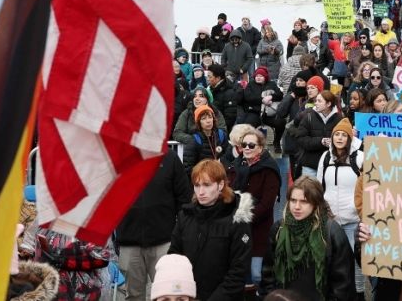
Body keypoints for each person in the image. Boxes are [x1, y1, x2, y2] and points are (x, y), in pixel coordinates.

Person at [169, 159, 252, 300]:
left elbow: (238, 272)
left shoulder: (237, 220)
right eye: (197, 185)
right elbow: (174, 257)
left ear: (220, 185)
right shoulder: (186, 216)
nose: (201, 191)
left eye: (207, 185)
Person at [261, 177, 356, 301]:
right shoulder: (279, 228)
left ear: (316, 203)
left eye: (304, 201)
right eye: (293, 200)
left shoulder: (332, 232)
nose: (297, 207)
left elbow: (342, 284)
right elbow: (268, 273)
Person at [117, 150, 191, 301]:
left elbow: (184, 199)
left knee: (166, 295)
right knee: (133, 296)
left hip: (164, 242)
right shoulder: (118, 159)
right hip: (129, 242)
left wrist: (181, 235)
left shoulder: (170, 158)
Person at [316, 118, 364, 297]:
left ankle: (359, 293)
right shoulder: (325, 157)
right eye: (337, 134)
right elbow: (319, 186)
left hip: (353, 220)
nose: (340, 138)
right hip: (331, 221)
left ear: (350, 138)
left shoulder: (359, 158)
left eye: (344, 135)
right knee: (332, 260)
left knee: (357, 262)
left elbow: (368, 186)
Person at [230, 127, 281, 287]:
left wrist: (244, 217)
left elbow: (266, 204)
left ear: (260, 147)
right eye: (244, 144)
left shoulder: (269, 169)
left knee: (257, 274)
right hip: (237, 229)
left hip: (259, 228)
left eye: (251, 145)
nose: (246, 148)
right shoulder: (237, 165)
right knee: (240, 273)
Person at [294, 89, 343, 178]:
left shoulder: (339, 119)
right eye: (316, 100)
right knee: (310, 191)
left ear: (328, 104)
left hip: (331, 165)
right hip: (310, 165)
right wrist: (321, 141)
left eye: (319, 101)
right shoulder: (308, 117)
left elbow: (345, 140)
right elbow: (300, 138)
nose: (316, 103)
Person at [182, 105, 228, 175]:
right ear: (198, 122)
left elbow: (228, 157)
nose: (208, 121)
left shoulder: (221, 135)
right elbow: (188, 167)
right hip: (203, 178)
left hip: (220, 175)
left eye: (210, 117)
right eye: (203, 118)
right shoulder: (193, 140)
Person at [206, 63, 245, 128]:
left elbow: (230, 119)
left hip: (220, 128)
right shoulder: (210, 89)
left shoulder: (229, 92)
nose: (207, 78)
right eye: (207, 76)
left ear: (218, 78)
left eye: (209, 77)